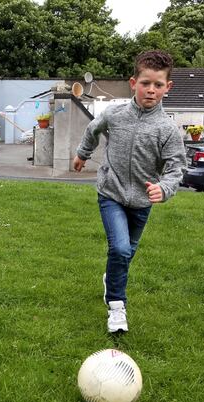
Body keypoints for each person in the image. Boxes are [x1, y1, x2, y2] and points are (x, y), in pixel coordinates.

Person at [72, 50, 186, 333]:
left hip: (142, 201)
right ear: (133, 82)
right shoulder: (115, 114)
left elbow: (176, 169)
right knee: (120, 248)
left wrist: (165, 188)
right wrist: (82, 154)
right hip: (111, 193)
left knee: (125, 254)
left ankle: (111, 278)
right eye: (146, 83)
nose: (151, 90)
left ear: (167, 87)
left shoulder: (167, 129)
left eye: (158, 85)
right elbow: (92, 129)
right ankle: (116, 307)